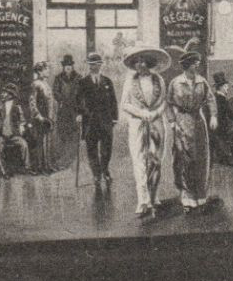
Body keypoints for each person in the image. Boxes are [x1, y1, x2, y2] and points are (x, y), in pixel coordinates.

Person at [168, 47, 220, 213]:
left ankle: (200, 194)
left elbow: (211, 99)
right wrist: (172, 122)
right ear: (187, 65)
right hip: (182, 121)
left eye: (197, 62)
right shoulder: (175, 83)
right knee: (184, 158)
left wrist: (213, 116)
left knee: (202, 157)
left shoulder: (201, 81)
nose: (197, 65)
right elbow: (169, 103)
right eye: (194, 62)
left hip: (199, 121)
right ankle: (187, 196)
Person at [120, 47, 170, 218]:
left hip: (157, 124)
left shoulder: (159, 79)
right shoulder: (130, 81)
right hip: (137, 124)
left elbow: (164, 102)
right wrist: (142, 114)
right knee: (139, 160)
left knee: (156, 160)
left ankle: (154, 196)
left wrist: (155, 113)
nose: (139, 64)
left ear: (149, 62)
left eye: (143, 60)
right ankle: (143, 200)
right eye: (136, 61)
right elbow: (124, 104)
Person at [76, 52, 119, 189]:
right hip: (90, 121)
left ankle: (105, 170)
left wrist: (115, 118)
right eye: (91, 64)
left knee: (106, 149)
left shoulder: (107, 81)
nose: (94, 67)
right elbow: (77, 101)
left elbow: (113, 101)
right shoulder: (83, 82)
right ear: (88, 66)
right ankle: (96, 174)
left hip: (106, 121)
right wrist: (79, 114)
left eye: (96, 64)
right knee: (92, 150)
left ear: (100, 65)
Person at [0, 83, 33, 177]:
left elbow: (22, 120)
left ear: (10, 95)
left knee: (24, 145)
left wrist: (22, 126)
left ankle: (28, 168)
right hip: (0, 135)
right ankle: (4, 171)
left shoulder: (17, 108)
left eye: (5, 93)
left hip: (14, 135)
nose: (2, 94)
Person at [51, 54, 83, 171]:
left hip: (74, 110)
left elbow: (82, 95)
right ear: (63, 67)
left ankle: (71, 161)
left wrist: (80, 112)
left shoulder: (79, 78)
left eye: (70, 65)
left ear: (72, 66)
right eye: (66, 65)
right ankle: (63, 160)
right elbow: (55, 92)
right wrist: (63, 100)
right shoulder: (58, 78)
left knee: (74, 135)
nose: (68, 67)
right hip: (63, 110)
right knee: (63, 133)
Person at [26, 63, 56, 174]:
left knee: (47, 142)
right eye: (46, 69)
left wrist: (51, 117)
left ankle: (47, 165)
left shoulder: (46, 84)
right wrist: (39, 117)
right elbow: (32, 103)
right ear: (39, 71)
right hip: (40, 119)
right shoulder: (35, 84)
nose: (48, 71)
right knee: (40, 143)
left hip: (48, 118)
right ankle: (40, 167)